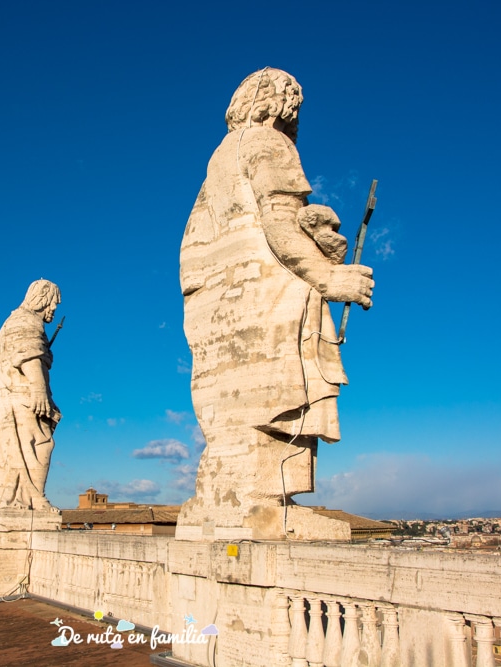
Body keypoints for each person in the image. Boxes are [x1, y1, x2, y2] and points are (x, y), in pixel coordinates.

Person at [179, 68, 374, 521]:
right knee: (279, 390)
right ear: (281, 105)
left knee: (238, 403)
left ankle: (225, 500)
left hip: (223, 303)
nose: (295, 118)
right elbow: (279, 221)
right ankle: (264, 505)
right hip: (268, 297)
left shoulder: (219, 158)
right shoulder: (269, 143)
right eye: (295, 108)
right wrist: (329, 276)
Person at [0, 280, 61, 512]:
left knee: (19, 446)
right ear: (42, 298)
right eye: (53, 303)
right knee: (41, 443)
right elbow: (28, 355)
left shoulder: (11, 321)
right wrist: (38, 389)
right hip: (23, 393)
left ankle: (22, 497)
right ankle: (34, 498)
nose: (54, 309)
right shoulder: (26, 320)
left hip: (8, 396)